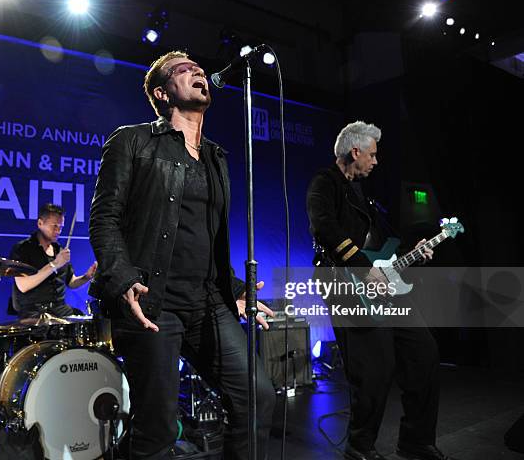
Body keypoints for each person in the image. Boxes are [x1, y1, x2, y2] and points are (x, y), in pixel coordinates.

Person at [89, 51, 276, 459]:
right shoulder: (133, 141)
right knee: (157, 431)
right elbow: (104, 218)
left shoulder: (216, 156)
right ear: (161, 92)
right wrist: (122, 279)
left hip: (208, 301)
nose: (196, 72)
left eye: (197, 68)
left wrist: (237, 290)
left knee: (258, 398)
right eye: (181, 70)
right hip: (153, 302)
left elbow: (205, 239)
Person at [306, 121, 451, 460]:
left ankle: (415, 440)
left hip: (378, 285)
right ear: (354, 151)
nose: (376, 161)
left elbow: (384, 252)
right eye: (372, 154)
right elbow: (323, 227)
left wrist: (413, 254)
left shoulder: (364, 195)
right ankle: (359, 446)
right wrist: (363, 266)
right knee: (375, 367)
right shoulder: (324, 183)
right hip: (343, 283)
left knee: (424, 352)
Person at [9, 203, 97, 319]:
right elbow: (23, 285)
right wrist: (55, 264)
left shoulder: (59, 250)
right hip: (34, 312)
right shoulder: (22, 249)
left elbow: (71, 282)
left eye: (61, 227)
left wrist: (87, 276)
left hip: (60, 310)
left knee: (86, 322)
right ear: (40, 223)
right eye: (54, 226)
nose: (58, 231)